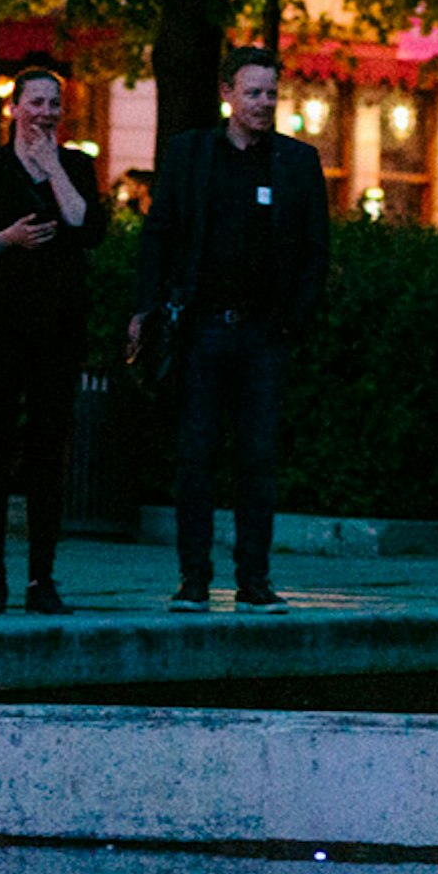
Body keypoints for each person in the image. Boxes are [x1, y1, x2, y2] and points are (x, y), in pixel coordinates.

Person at [129, 47, 325, 611]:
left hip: (264, 332)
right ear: (227, 94)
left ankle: (253, 579)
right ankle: (194, 578)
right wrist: (147, 307)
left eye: (270, 93)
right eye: (253, 92)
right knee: (196, 456)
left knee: (257, 458)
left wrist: (295, 317)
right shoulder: (191, 155)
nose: (263, 103)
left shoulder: (295, 162)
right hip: (203, 329)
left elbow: (315, 249)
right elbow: (160, 233)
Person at [0, 54, 104, 616]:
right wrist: (5, 239)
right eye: (35, 103)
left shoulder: (77, 166)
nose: (44, 113)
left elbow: (88, 228)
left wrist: (54, 168)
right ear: (14, 109)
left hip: (56, 332)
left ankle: (42, 578)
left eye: (54, 105)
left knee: (46, 453)